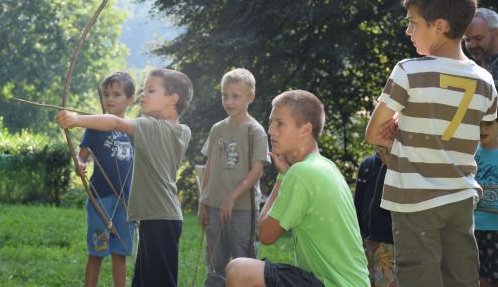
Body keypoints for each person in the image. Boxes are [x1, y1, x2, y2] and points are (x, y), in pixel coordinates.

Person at [365, 0, 498, 286]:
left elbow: (373, 133)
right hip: (461, 200)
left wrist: (397, 128)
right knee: (462, 278)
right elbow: (485, 124)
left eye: (413, 23)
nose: (408, 31)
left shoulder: (408, 71)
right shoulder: (485, 80)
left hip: (415, 202)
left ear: (439, 26)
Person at [56, 68, 193, 287]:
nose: (143, 95)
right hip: (156, 216)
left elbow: (116, 123)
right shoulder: (182, 130)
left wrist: (75, 119)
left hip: (159, 218)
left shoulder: (152, 127)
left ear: (172, 99)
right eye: (143, 90)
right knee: (144, 281)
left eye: (151, 90)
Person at [225, 89, 370, 287]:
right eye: (271, 122)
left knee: (239, 270)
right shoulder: (326, 166)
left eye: (280, 124)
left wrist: (282, 176)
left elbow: (265, 234)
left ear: (305, 129)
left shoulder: (302, 173)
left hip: (332, 284)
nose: (270, 130)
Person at [198, 68, 270, 287]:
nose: (229, 101)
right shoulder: (217, 129)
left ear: (250, 97)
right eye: (225, 95)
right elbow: (210, 165)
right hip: (213, 206)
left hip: (242, 210)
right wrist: (203, 200)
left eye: (236, 96)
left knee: (244, 262)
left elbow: (256, 171)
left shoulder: (255, 131)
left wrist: (232, 197)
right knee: (215, 263)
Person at [75, 71, 136, 287]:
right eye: (106, 94)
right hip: (100, 198)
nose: (109, 99)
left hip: (127, 202)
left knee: (120, 253)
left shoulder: (135, 129)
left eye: (117, 94)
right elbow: (81, 157)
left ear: (130, 99)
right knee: (97, 252)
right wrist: (80, 165)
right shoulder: (95, 127)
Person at [354, 151, 395, 287]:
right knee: (367, 280)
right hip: (366, 239)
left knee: (386, 281)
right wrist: (357, 233)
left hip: (389, 240)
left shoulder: (399, 163)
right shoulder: (368, 164)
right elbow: (358, 202)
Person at [474, 119, 498, 287]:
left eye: (488, 124)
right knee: (479, 280)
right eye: (478, 124)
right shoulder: (469, 153)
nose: (482, 129)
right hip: (473, 229)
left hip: (496, 229)